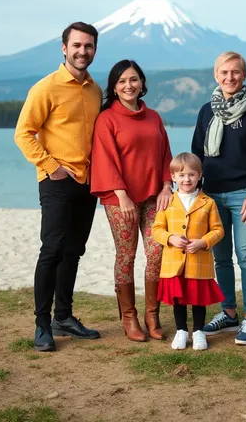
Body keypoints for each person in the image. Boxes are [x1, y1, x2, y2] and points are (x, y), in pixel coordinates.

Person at [14, 22, 102, 353]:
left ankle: (63, 317)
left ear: (95, 50)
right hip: (56, 182)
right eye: (77, 45)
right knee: (51, 251)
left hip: (88, 183)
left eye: (89, 46)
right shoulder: (46, 88)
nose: (83, 51)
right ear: (64, 48)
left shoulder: (95, 90)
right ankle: (41, 324)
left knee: (73, 251)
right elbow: (23, 133)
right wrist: (51, 167)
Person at [90, 59, 173, 342]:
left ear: (142, 83)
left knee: (157, 251)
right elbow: (105, 159)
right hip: (120, 199)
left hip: (153, 197)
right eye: (123, 81)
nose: (129, 85)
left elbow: (165, 153)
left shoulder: (154, 117)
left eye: (134, 79)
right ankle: (129, 318)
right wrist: (121, 194)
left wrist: (166, 185)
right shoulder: (107, 119)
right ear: (114, 87)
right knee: (126, 256)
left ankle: (153, 314)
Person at [192, 51, 246, 345]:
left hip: (244, 193)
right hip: (212, 195)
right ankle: (229, 312)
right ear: (216, 75)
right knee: (221, 257)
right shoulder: (207, 111)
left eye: (235, 72)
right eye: (224, 72)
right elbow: (196, 155)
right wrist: (193, 194)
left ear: (244, 75)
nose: (230, 77)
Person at [152, 152, 224, 351]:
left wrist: (203, 242)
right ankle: (181, 330)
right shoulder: (167, 202)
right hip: (174, 261)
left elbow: (218, 230)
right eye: (181, 175)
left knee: (197, 297)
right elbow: (156, 229)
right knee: (179, 298)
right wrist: (170, 239)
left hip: (198, 261)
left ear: (199, 175)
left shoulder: (208, 203)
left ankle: (199, 331)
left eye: (191, 175)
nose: (187, 179)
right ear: (173, 177)